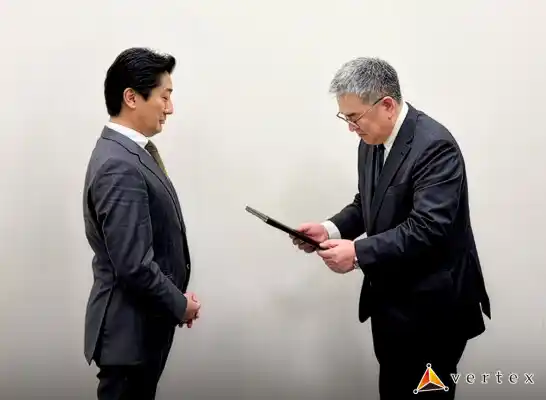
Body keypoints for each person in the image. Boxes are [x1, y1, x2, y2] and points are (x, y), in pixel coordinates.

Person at [293, 57, 491, 399]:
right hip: (390, 305)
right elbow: (367, 202)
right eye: (345, 117)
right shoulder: (371, 140)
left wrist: (357, 253)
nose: (350, 128)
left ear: (387, 105)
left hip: (432, 311)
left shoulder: (435, 147)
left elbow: (428, 228)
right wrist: (330, 230)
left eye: (354, 117)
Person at [82, 47, 201, 400]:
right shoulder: (119, 164)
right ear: (131, 98)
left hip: (140, 331)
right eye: (164, 96)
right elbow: (133, 264)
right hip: (128, 336)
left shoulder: (126, 153)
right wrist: (179, 304)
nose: (170, 108)